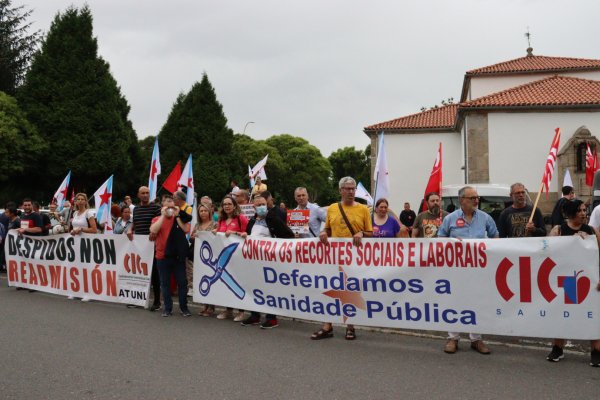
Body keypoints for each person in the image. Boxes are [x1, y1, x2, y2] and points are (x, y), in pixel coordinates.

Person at [438, 186, 498, 355]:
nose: (476, 200)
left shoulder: (485, 218)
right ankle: (453, 338)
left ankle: (476, 339)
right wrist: (451, 243)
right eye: (472, 198)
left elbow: (495, 237)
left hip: (478, 270)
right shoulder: (450, 219)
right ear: (462, 200)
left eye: (477, 197)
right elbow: (440, 239)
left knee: (476, 301)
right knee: (454, 301)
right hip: (456, 270)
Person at [313, 177, 373, 341]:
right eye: (347, 188)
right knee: (329, 290)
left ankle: (350, 326)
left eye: (353, 188)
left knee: (350, 291)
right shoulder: (333, 208)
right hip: (334, 257)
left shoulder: (363, 209)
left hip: (354, 259)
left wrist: (361, 233)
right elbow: (327, 228)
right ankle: (327, 326)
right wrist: (323, 232)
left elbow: (370, 232)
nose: (351, 191)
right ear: (340, 191)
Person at [547, 199, 600, 367]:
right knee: (563, 314)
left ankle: (596, 351)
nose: (584, 213)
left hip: (589, 281)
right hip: (566, 280)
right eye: (580, 210)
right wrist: (571, 242)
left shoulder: (592, 231)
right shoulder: (559, 230)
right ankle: (557, 348)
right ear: (570, 213)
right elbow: (547, 250)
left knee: (592, 315)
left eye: (585, 210)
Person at [240, 195, 295, 328]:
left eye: (263, 204)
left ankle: (271, 318)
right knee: (254, 287)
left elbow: (288, 235)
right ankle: (255, 315)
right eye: (258, 205)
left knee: (270, 289)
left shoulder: (273, 219)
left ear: (267, 204)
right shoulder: (252, 221)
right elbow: (248, 236)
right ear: (253, 207)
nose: (261, 207)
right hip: (254, 261)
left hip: (270, 261)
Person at [150, 194, 192, 318]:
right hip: (162, 256)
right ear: (162, 206)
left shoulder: (180, 217)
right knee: (165, 283)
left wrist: (177, 215)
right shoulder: (157, 218)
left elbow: (186, 230)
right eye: (166, 202)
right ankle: (167, 308)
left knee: (182, 282)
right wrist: (163, 216)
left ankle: (184, 307)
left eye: (171, 202)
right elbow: (153, 230)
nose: (169, 204)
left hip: (177, 257)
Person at [212, 194, 249, 321]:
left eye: (229, 204)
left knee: (238, 283)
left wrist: (235, 233)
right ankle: (228, 310)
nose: (227, 206)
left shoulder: (241, 218)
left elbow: (247, 234)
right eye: (225, 204)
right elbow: (219, 234)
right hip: (225, 257)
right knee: (227, 285)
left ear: (234, 206)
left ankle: (241, 312)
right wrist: (215, 232)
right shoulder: (221, 220)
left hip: (238, 256)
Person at [127, 186, 162, 311]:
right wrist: (130, 229)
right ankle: (139, 300)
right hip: (139, 246)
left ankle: (157, 301)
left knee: (155, 274)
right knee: (140, 273)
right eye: (143, 193)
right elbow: (134, 223)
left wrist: (155, 231)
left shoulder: (156, 208)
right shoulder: (136, 209)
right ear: (138, 195)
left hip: (153, 245)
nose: (145, 195)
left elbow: (160, 223)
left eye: (147, 193)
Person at [191, 203, 218, 317]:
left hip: (211, 257)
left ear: (209, 212)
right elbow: (191, 236)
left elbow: (218, 238)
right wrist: (194, 236)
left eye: (205, 211)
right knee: (202, 279)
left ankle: (211, 306)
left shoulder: (215, 224)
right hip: (199, 257)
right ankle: (205, 305)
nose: (203, 213)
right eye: (201, 211)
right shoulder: (197, 225)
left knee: (211, 280)